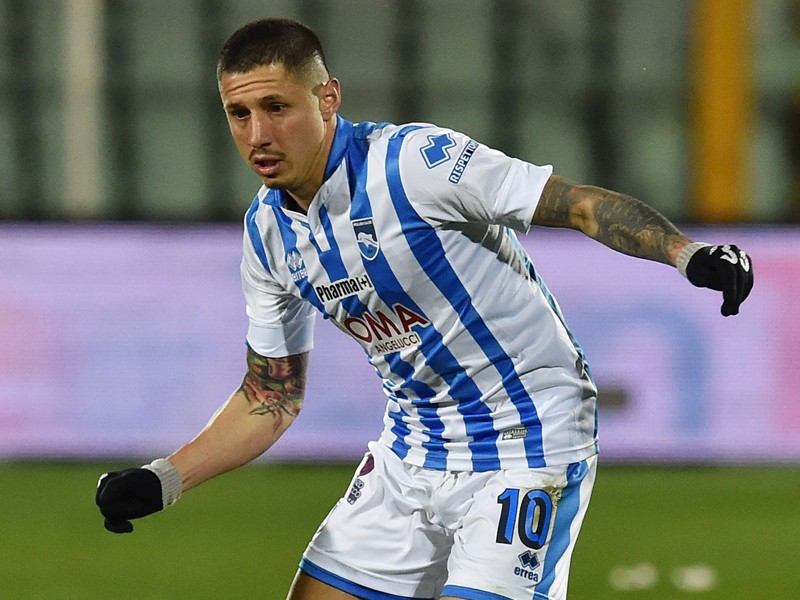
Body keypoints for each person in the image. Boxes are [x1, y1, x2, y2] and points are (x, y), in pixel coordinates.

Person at [95, 17, 754, 600]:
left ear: (328, 98)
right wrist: (165, 479)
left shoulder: (414, 165)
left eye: (276, 107)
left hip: (526, 440)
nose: (258, 134)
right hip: (411, 454)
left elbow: (577, 204)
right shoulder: (269, 233)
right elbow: (272, 395)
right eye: (239, 114)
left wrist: (687, 254)